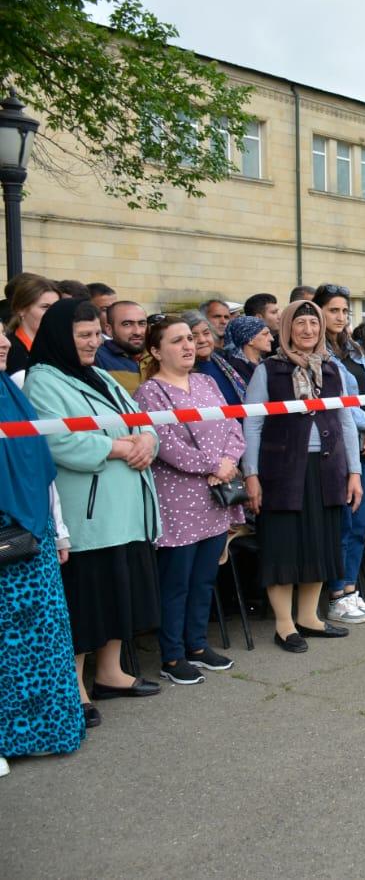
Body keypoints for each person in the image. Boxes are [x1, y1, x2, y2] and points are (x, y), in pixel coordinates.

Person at [23, 299, 163, 725]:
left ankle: (110, 672)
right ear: (59, 337)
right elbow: (56, 441)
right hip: (89, 511)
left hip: (125, 509)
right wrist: (117, 447)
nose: (92, 342)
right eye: (83, 335)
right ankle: (76, 687)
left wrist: (147, 440)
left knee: (119, 594)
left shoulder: (99, 374)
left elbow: (141, 418)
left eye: (95, 335)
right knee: (85, 602)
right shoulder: (42, 380)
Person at [242, 300, 363, 651]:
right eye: (300, 323)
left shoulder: (332, 370)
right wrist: (251, 474)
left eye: (314, 322)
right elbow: (252, 424)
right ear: (286, 329)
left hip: (327, 471)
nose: (308, 329)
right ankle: (284, 625)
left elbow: (346, 421)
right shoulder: (269, 370)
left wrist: (354, 471)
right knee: (283, 547)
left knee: (319, 546)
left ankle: (309, 618)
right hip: (281, 473)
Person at [133, 317, 245, 685]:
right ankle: (172, 655)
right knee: (176, 581)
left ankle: (197, 645)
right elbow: (166, 444)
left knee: (204, 578)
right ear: (155, 350)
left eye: (190, 339)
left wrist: (228, 462)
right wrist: (214, 465)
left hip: (215, 496)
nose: (188, 346)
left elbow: (233, 426)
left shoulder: (207, 382)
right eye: (177, 340)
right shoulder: (150, 393)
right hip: (178, 501)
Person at [0, 326, 83, 769]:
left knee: (43, 638)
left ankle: (45, 732)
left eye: (2, 334)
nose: (4, 343)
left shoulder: (11, 392)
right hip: (6, 532)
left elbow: (40, 467)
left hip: (33, 531)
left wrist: (59, 530)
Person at [314, 284, 365, 625]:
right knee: (342, 524)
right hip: (338, 448)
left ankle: (350, 588)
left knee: (360, 523)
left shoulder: (354, 349)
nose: (341, 317)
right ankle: (336, 594)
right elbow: (338, 402)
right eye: (334, 310)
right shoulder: (318, 353)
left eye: (345, 311)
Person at [3, 273, 60, 376]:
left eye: (57, 307)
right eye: (45, 307)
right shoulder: (9, 349)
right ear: (21, 309)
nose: (53, 313)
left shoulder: (61, 347)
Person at [184, 310, 246, 405]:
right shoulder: (184, 373)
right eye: (193, 336)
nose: (202, 340)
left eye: (206, 333)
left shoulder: (224, 360)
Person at [94, 301, 147, 393]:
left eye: (142, 323)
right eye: (127, 324)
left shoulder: (160, 357)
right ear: (109, 329)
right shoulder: (96, 359)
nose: (137, 332)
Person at [222, 314, 273, 383]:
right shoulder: (235, 370)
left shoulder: (266, 364)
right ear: (250, 339)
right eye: (265, 334)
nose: (271, 338)